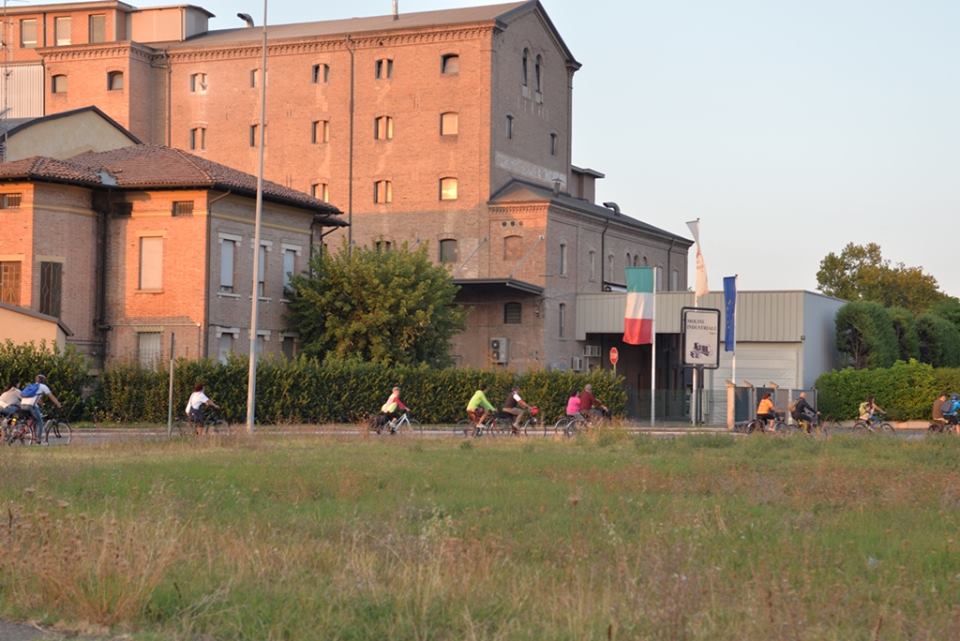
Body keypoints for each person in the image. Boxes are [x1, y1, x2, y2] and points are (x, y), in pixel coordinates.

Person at [19, 374, 61, 444]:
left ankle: (26, 434)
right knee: (40, 421)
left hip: (22, 404)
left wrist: (42, 405)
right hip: (30, 406)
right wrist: (58, 404)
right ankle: (38, 440)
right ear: (43, 380)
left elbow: (37, 398)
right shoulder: (43, 386)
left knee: (33, 420)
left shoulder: (31, 386)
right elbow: (51, 396)